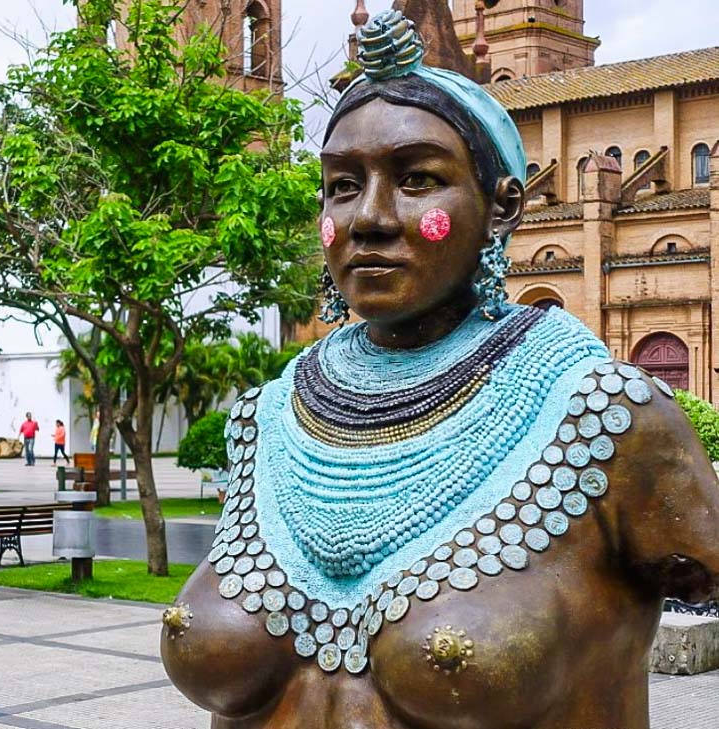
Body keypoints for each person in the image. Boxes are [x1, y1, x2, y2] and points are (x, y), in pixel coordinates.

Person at [160, 10, 719, 729]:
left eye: (417, 178)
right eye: (341, 186)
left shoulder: (608, 421)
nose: (370, 217)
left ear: (505, 205)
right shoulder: (267, 419)